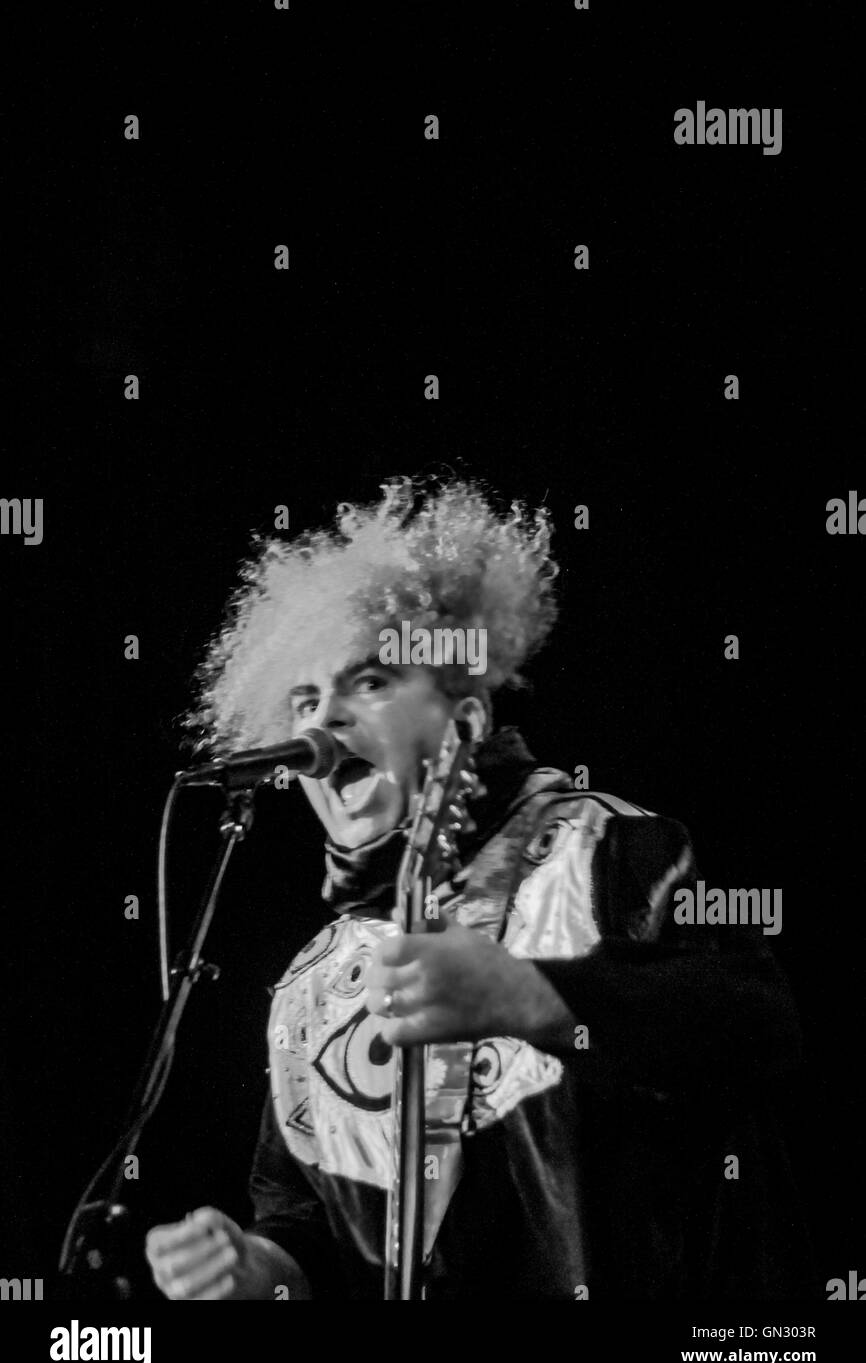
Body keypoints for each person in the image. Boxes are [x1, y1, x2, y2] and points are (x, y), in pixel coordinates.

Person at [145, 476, 810, 1301]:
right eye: (305, 699)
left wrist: (534, 997)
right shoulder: (311, 986)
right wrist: (254, 1270)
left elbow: (760, 1025)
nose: (321, 727)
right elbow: (306, 1227)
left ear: (464, 720)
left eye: (372, 681)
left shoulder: (613, 845)